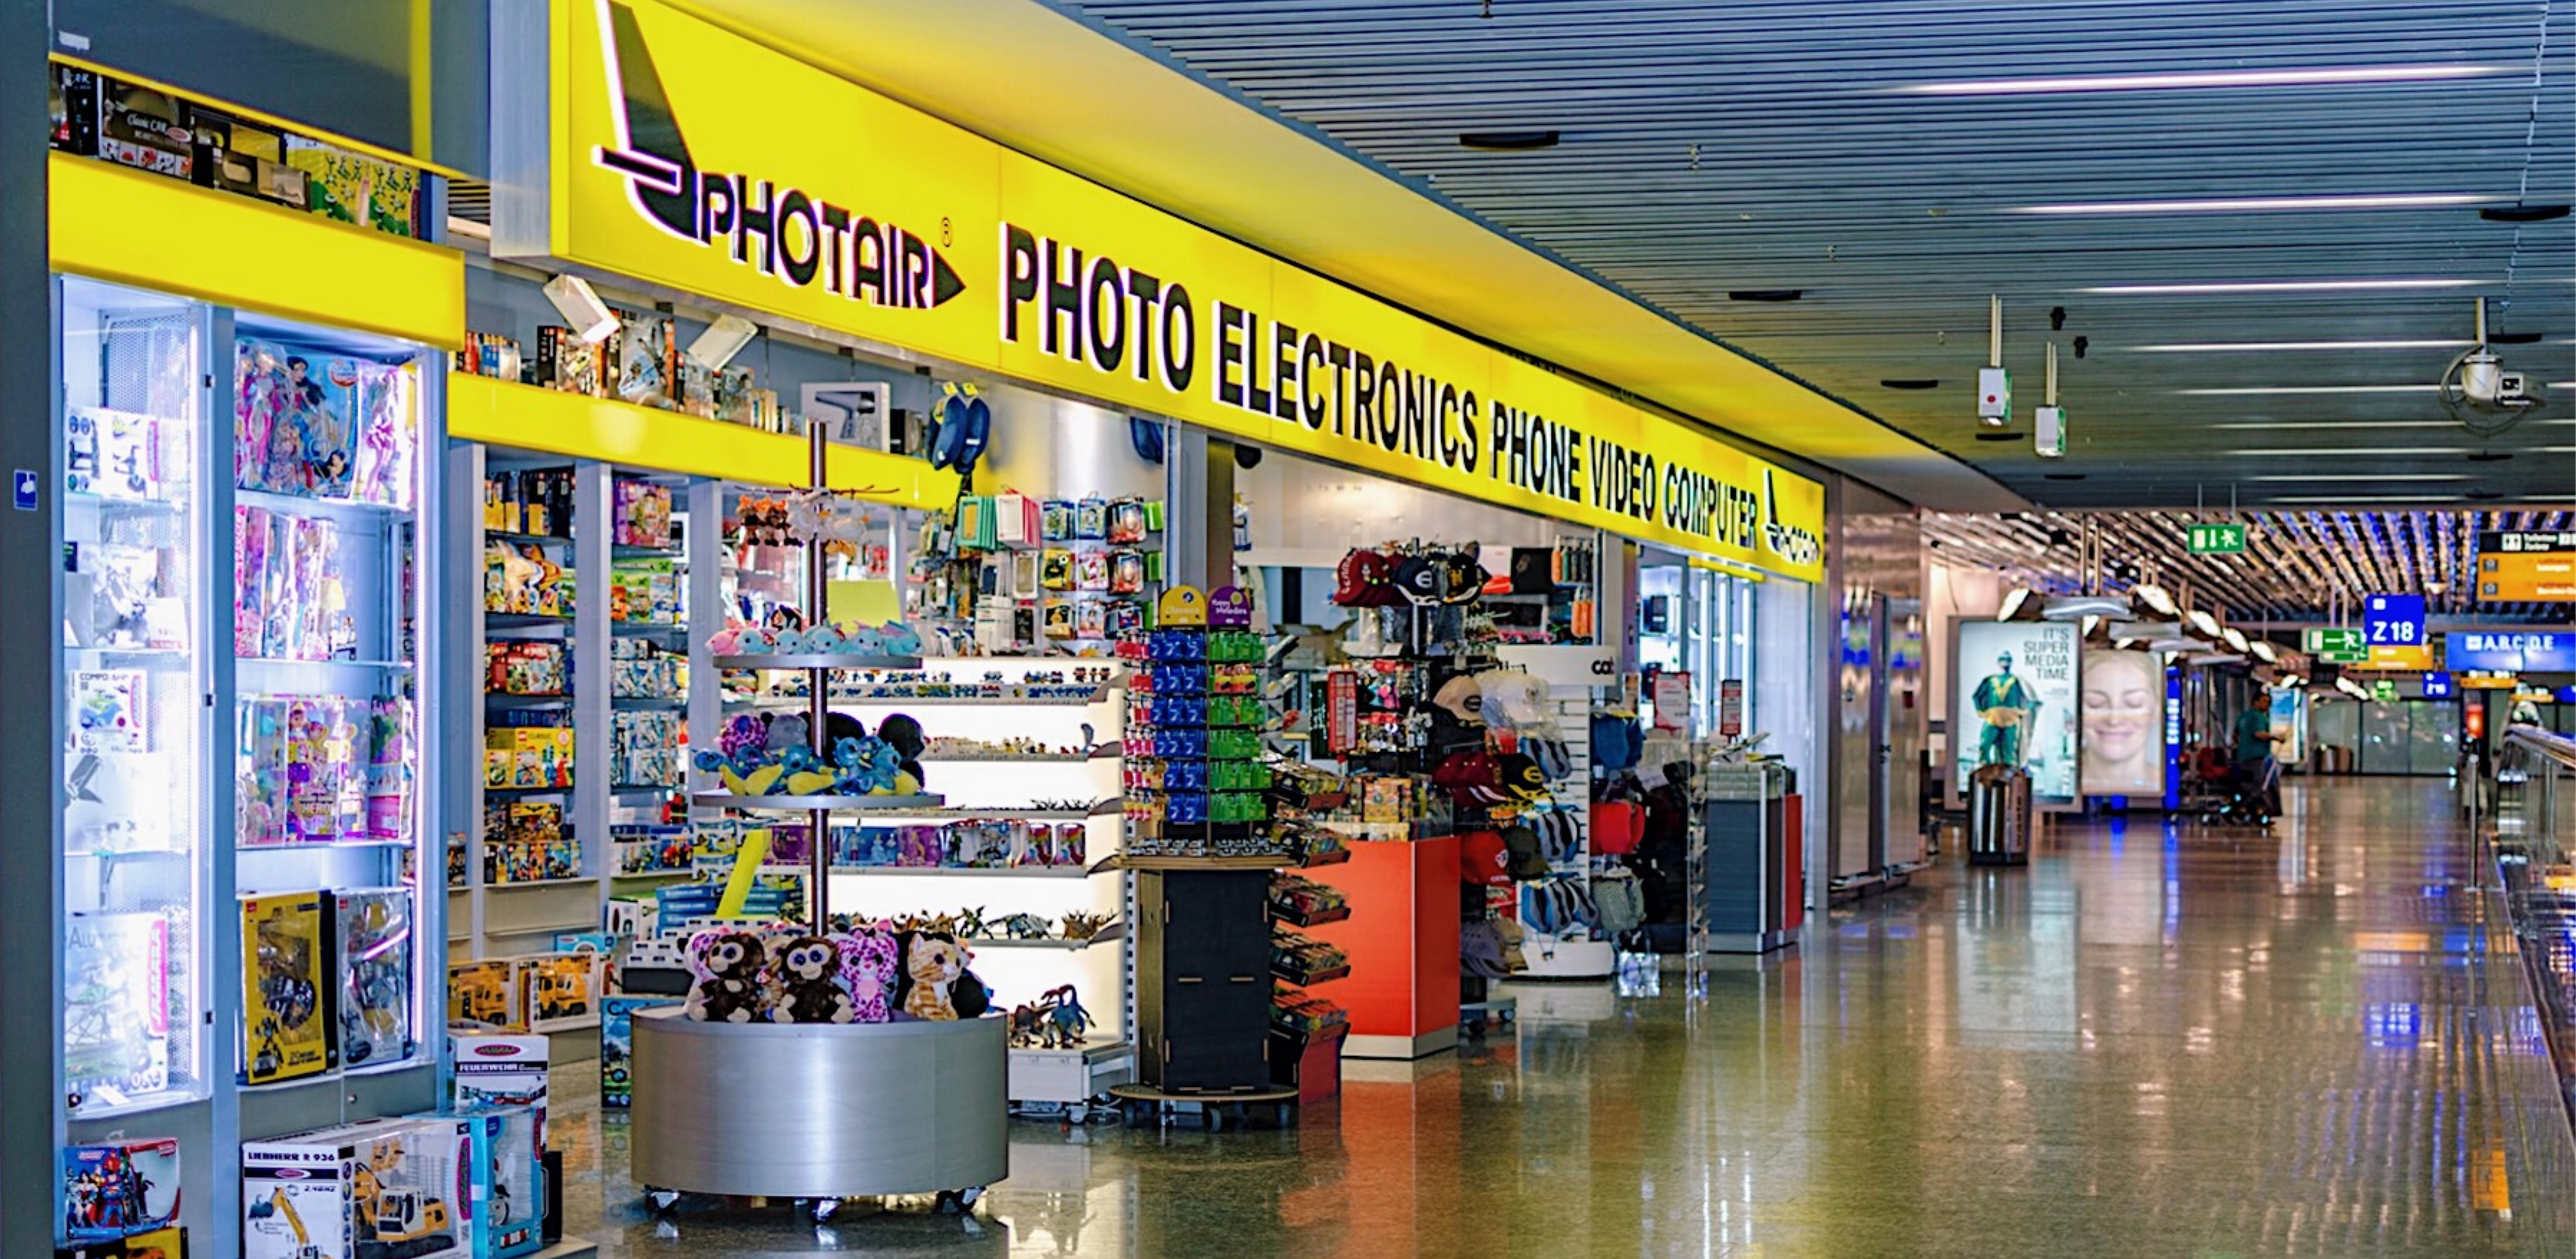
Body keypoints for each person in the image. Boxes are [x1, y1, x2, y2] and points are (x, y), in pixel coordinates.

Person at [2082, 651, 2160, 793]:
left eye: (2134, 703)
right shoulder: (2052, 787)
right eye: (2095, 703)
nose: (2114, 720)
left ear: (2157, 710)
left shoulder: (2174, 785)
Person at [1972, 650, 2041, 770]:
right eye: (2003, 660)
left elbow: (2030, 699)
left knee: (2009, 749)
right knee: (1985, 744)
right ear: (1999, 662)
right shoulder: (1990, 680)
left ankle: (2010, 770)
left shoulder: (2017, 681)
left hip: (2011, 719)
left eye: (2008, 660)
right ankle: (1984, 766)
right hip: (1993, 717)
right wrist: (1980, 711)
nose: (2005, 663)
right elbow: (1977, 696)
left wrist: (2025, 711)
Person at [2232, 699, 2283, 822]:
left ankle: (2251, 809)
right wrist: (2276, 738)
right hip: (2256, 757)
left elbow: (2235, 735)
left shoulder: (2244, 716)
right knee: (2259, 786)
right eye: (2264, 702)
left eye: (2269, 702)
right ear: (2255, 702)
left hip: (2243, 756)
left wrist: (2243, 745)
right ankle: (2247, 809)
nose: (2268, 705)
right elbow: (2258, 734)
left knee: (2250, 784)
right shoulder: (2258, 717)